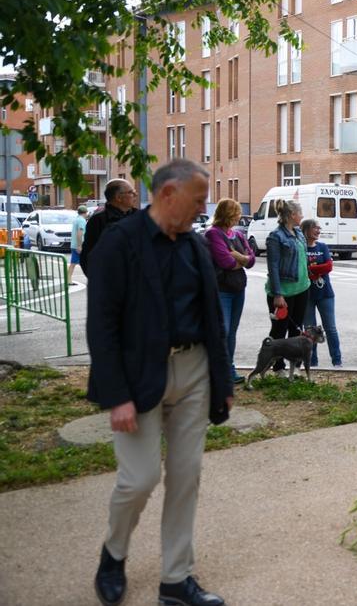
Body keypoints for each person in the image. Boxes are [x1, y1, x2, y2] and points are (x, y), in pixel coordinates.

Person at [87, 159, 232, 606]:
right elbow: (102, 324)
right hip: (136, 377)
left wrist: (222, 379)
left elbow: (212, 319)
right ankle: (114, 554)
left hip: (193, 372)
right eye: (198, 199)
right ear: (168, 193)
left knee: (186, 476)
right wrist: (116, 395)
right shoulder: (119, 243)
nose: (202, 208)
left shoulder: (193, 246)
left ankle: (176, 579)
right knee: (140, 478)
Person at [205, 198, 254, 383]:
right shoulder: (213, 234)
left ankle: (229, 369)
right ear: (227, 214)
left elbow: (251, 260)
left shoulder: (238, 235)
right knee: (222, 331)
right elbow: (225, 262)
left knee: (232, 332)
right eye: (236, 213)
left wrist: (239, 257)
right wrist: (241, 260)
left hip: (238, 288)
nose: (238, 217)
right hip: (221, 289)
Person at [265, 200, 310, 366]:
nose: (302, 216)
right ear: (292, 215)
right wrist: (277, 293)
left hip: (302, 289)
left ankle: (294, 366)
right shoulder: (275, 237)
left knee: (296, 329)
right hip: (283, 292)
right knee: (279, 330)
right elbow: (273, 266)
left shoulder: (298, 233)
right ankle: (277, 366)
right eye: (300, 213)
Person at [302, 218, 343, 368]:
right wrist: (317, 268)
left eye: (319, 228)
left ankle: (337, 361)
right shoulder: (301, 247)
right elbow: (301, 268)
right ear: (306, 229)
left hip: (325, 294)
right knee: (310, 330)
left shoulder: (323, 246)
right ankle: (312, 362)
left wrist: (311, 270)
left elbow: (329, 266)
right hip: (306, 295)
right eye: (315, 228)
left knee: (330, 328)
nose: (319, 231)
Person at [80, 178, 137, 276]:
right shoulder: (98, 221)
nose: (135, 195)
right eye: (131, 192)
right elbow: (88, 256)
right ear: (118, 197)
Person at [69, 204, 87, 282]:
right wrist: (80, 246)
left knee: (73, 263)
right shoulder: (82, 220)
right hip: (78, 245)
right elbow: (80, 233)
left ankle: (68, 279)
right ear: (85, 212)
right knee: (75, 263)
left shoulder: (76, 219)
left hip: (74, 244)